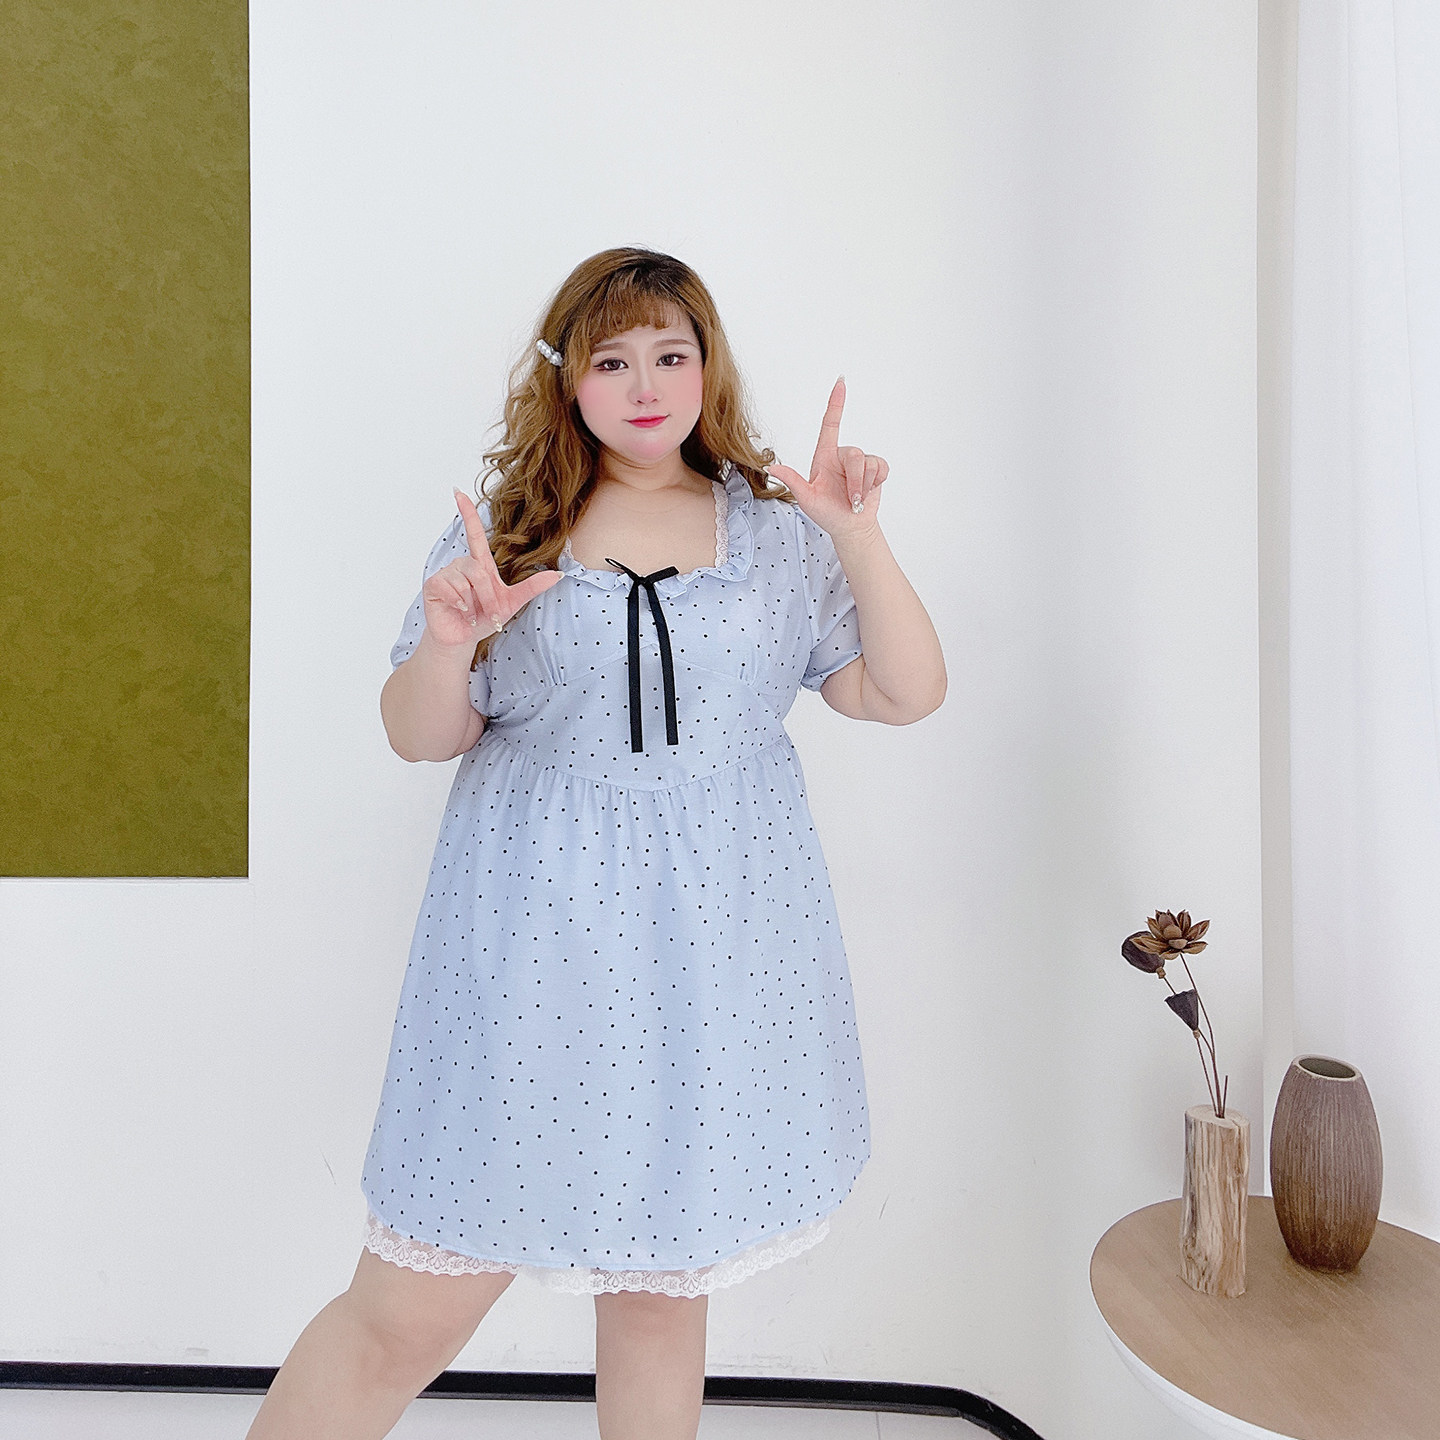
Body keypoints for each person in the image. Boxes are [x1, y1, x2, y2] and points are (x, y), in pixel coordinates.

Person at [246, 246, 946, 1440]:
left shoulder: (778, 537)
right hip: (530, 949)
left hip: (715, 956)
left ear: (709, 368)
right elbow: (420, 735)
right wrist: (448, 644)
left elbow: (902, 693)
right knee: (403, 1317)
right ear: (566, 379)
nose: (646, 385)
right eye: (612, 360)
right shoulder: (512, 530)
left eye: (671, 354)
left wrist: (858, 535)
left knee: (660, 1305)